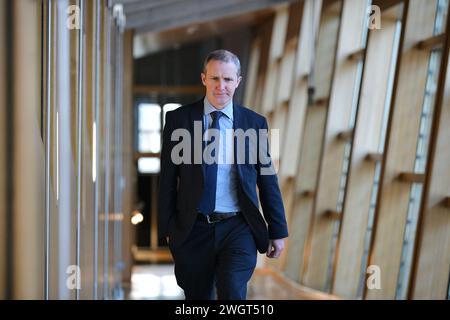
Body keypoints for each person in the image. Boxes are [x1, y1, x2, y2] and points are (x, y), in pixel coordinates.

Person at [158, 49, 288, 300]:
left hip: (239, 227)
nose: (221, 86)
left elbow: (267, 178)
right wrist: (167, 227)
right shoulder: (179, 120)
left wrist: (277, 229)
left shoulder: (254, 123)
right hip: (193, 229)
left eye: (228, 79)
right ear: (204, 79)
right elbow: (167, 180)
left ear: (238, 81)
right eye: (215, 78)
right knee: (199, 297)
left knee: (231, 291)